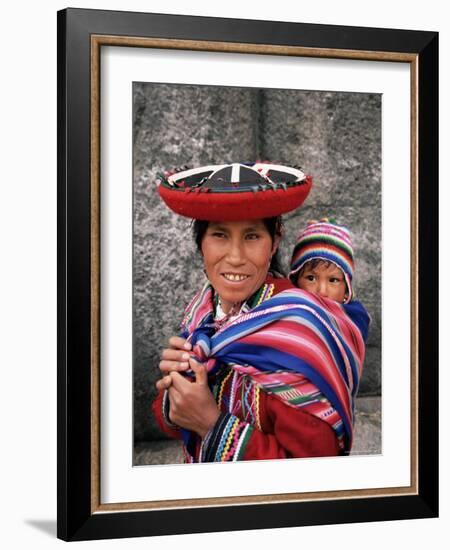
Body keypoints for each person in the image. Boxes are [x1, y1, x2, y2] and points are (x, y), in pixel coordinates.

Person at [151, 163, 370, 463]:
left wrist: (212, 425)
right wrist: (175, 386)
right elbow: (173, 420)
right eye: (219, 235)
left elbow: (316, 469)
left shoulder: (297, 326)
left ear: (274, 241)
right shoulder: (202, 311)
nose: (236, 257)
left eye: (252, 236)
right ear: (201, 244)